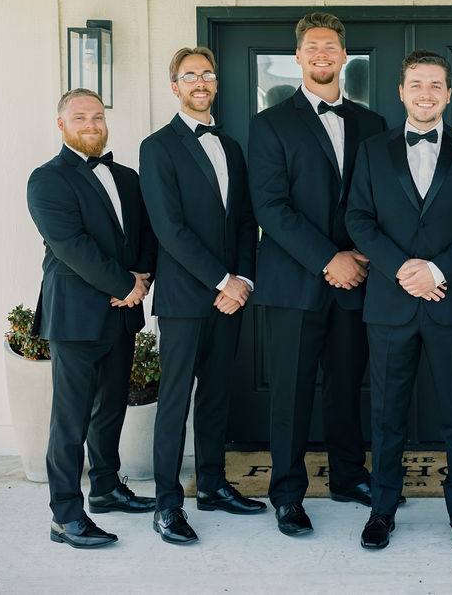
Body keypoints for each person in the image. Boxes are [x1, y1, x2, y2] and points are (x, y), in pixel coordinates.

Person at [346, 50, 452, 552]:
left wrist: (435, 269)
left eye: (435, 85)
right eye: (416, 84)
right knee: (387, 414)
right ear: (402, 91)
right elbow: (358, 219)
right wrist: (403, 271)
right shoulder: (372, 150)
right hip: (390, 302)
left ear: (449, 93)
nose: (426, 93)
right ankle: (382, 510)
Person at [248, 12, 388, 537]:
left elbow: (382, 202)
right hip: (295, 282)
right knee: (291, 391)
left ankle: (350, 476)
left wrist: (363, 256)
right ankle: (287, 492)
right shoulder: (270, 124)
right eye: (312, 46)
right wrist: (332, 259)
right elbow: (270, 206)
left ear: (343, 56)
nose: (322, 54)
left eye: (331, 46)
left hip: (358, 282)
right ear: (300, 57)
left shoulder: (373, 124)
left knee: (347, 387)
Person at [139, 46, 264, 545]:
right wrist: (221, 280)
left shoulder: (232, 146)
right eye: (190, 75)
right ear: (175, 86)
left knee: (217, 396)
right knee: (175, 402)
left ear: (216, 85)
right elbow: (169, 229)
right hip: (187, 298)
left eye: (208, 75)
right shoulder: (157, 146)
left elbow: (246, 221)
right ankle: (167, 503)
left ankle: (213, 484)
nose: (200, 82)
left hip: (230, 297)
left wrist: (244, 283)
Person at [27, 88, 157, 549]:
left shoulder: (126, 176)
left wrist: (142, 277)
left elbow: (146, 236)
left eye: (98, 117)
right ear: (61, 123)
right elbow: (72, 247)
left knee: (112, 409)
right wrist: (126, 285)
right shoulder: (47, 181)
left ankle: (105, 488)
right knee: (71, 420)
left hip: (121, 317)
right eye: (80, 117)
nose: (91, 125)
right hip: (76, 318)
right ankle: (65, 515)